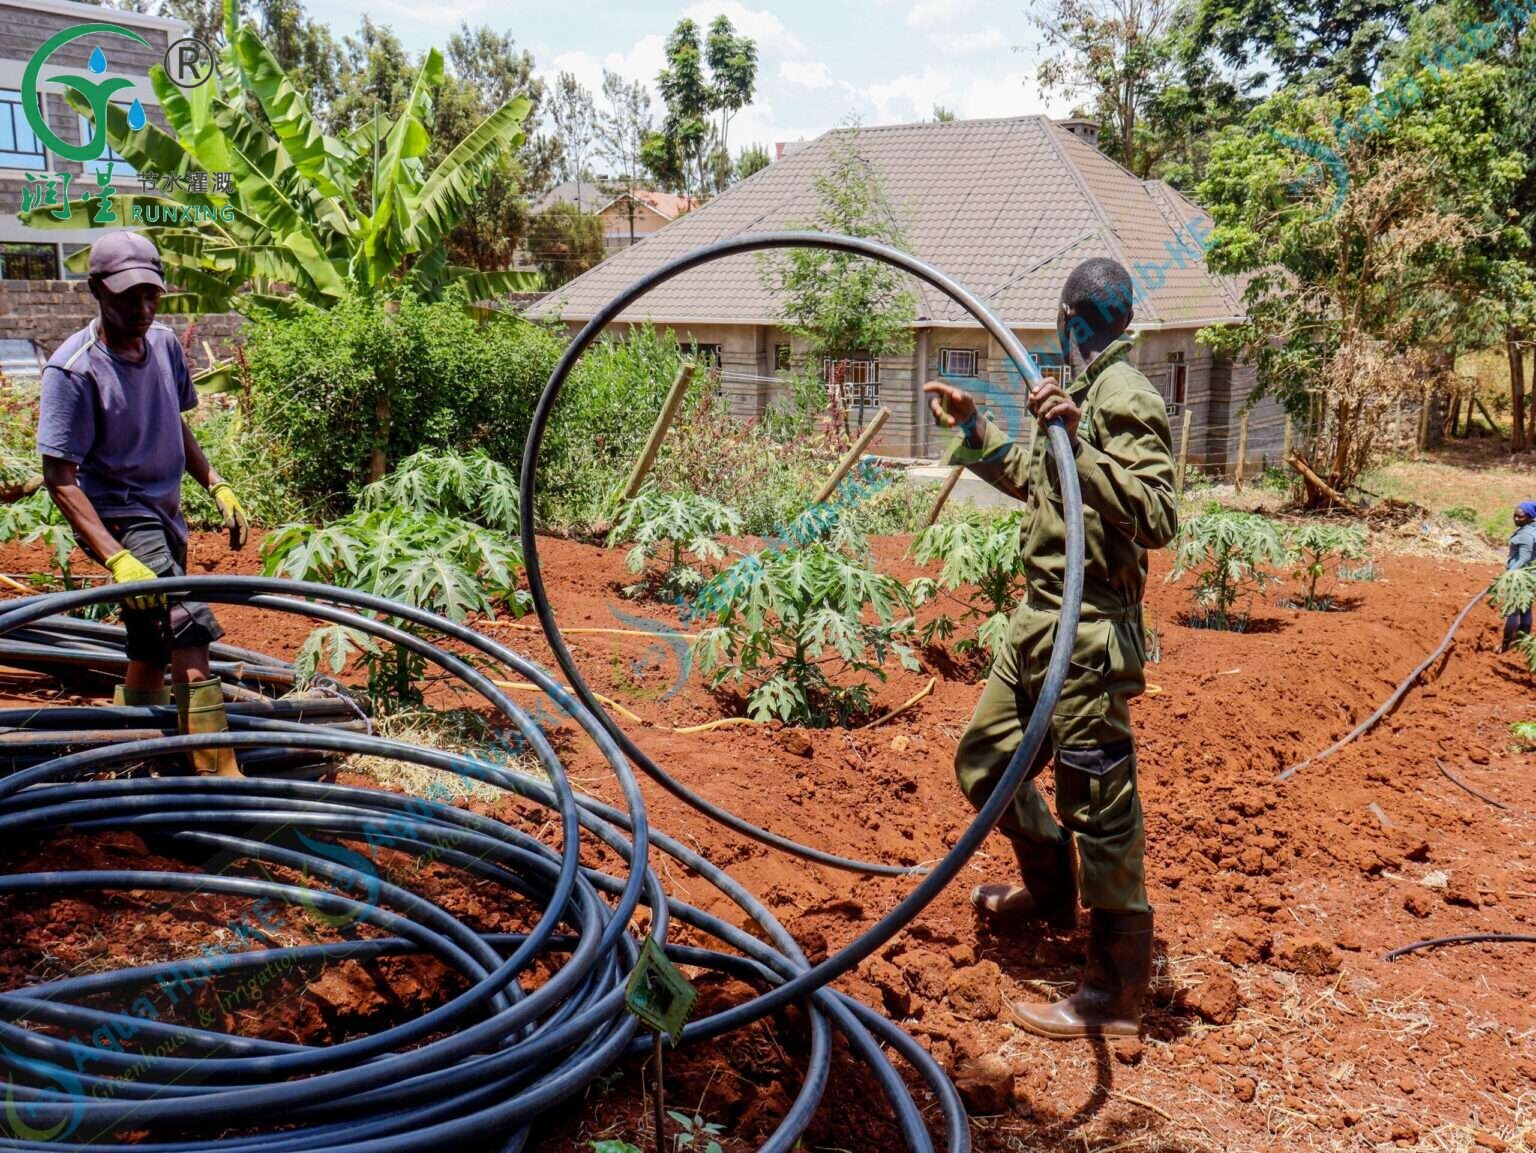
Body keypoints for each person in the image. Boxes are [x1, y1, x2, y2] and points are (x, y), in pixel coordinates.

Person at [922, 257, 1177, 1040]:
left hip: (1091, 629)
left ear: (1073, 320)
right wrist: (976, 428)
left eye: (1058, 321)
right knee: (987, 758)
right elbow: (1042, 477)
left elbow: (1159, 514)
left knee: (1099, 802)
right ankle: (1051, 890)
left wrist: (1077, 439)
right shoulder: (1080, 395)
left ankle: (1113, 990)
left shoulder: (1124, 394)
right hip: (1039, 620)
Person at [37, 232, 249, 777]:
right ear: (96, 291)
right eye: (127, 298)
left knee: (150, 644)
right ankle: (218, 774)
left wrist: (215, 482)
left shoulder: (164, 346)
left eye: (151, 296)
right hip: (119, 516)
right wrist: (115, 556)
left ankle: (122, 756)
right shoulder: (74, 370)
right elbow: (59, 476)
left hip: (165, 511)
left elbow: (175, 422)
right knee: (187, 624)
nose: (142, 309)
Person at [1501, 501, 1536, 651]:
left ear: (1529, 517)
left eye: (1520, 517)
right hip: (1530, 576)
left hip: (1519, 578)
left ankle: (1506, 644)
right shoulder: (1532, 530)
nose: (1516, 519)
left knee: (1513, 611)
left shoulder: (1526, 535)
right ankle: (1521, 643)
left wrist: (1509, 574)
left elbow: (1524, 558)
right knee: (1526, 609)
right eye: (1515, 515)